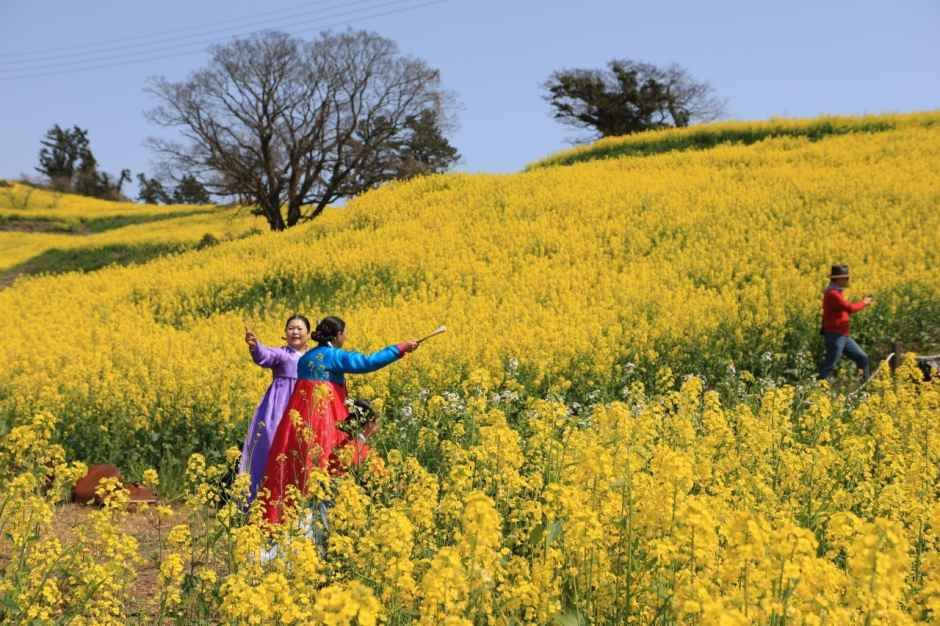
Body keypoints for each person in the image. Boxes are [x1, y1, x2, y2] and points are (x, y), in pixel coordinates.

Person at [261, 316, 418, 525]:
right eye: (344, 333)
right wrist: (400, 348)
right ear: (337, 336)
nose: (346, 337)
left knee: (301, 468)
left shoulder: (307, 357)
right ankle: (326, 522)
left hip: (301, 420)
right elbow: (367, 362)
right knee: (333, 463)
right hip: (325, 418)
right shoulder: (332, 355)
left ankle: (295, 520)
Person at [239, 315, 311, 504]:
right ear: (285, 334)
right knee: (272, 446)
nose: (295, 332)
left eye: (299, 328)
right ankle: (262, 500)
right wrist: (255, 346)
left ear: (309, 334)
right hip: (280, 406)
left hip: (305, 406)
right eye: (291, 328)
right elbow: (265, 356)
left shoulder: (313, 356)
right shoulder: (282, 354)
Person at [819, 264, 873, 381]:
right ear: (838, 279)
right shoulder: (832, 293)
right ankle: (816, 392)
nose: (848, 280)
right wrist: (864, 302)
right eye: (846, 278)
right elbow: (850, 308)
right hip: (835, 335)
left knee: (862, 358)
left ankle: (865, 389)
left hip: (843, 335)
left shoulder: (837, 292)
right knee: (830, 365)